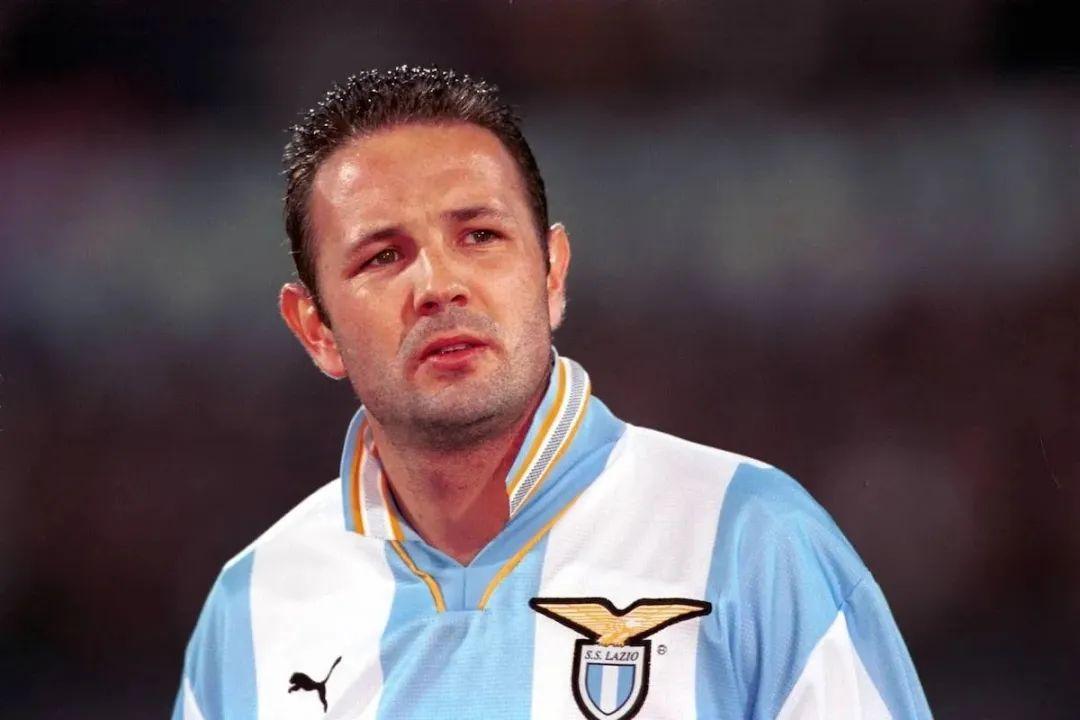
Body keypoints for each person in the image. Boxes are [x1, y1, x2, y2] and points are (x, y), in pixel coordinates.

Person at [172, 66, 931, 720]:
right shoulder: (254, 607)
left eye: (479, 236)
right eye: (383, 257)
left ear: (552, 272)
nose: (438, 284)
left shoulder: (749, 540)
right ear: (316, 329)